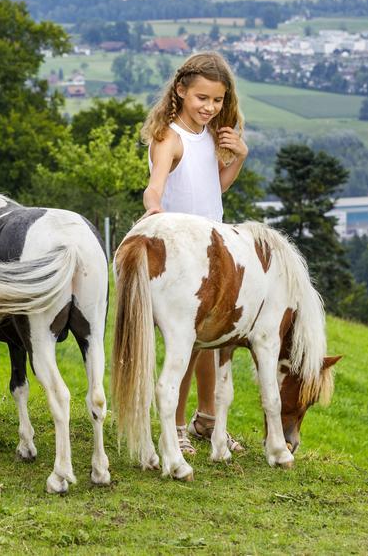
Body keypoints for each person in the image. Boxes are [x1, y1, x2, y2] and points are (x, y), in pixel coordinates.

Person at [140, 51, 249, 456]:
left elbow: (214, 191)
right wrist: (154, 204)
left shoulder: (208, 138)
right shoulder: (169, 136)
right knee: (185, 343)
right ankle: (178, 424)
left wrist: (239, 156)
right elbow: (157, 182)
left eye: (218, 100)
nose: (210, 107)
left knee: (213, 341)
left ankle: (208, 419)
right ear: (181, 90)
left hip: (212, 248)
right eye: (202, 98)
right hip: (180, 252)